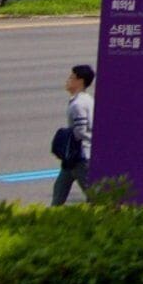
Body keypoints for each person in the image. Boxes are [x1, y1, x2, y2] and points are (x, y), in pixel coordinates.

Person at [51, 64, 93, 204]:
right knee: (59, 190)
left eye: (71, 78)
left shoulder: (78, 104)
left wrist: (67, 139)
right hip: (73, 157)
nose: (68, 81)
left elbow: (81, 131)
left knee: (93, 195)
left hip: (80, 156)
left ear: (80, 81)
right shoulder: (87, 99)